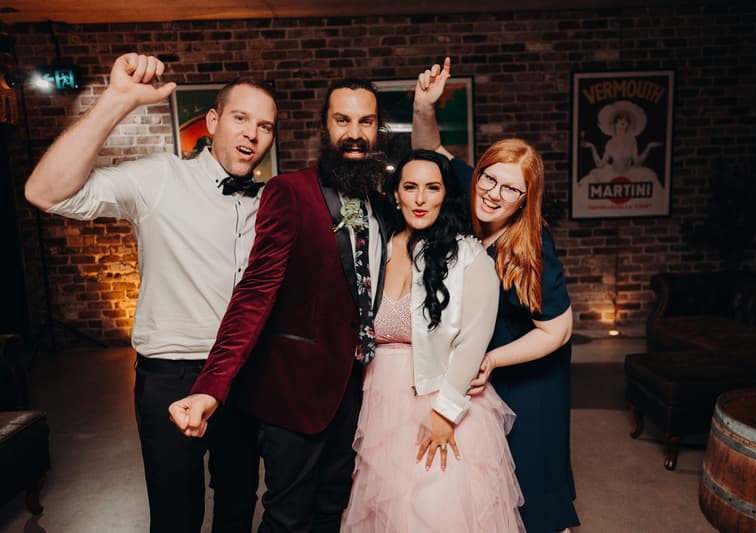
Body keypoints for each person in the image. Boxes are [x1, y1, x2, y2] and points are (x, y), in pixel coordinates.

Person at [24, 53, 278, 532]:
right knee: (175, 515)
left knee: (239, 504)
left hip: (243, 374)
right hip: (171, 374)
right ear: (213, 121)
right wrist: (115, 102)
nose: (251, 134)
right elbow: (46, 192)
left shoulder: (271, 201)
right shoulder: (161, 178)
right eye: (241, 118)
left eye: (264, 126)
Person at [168, 78, 390, 533]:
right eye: (342, 120)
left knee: (334, 509)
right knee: (288, 517)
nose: (354, 133)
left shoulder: (383, 203)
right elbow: (254, 292)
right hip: (293, 392)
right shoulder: (289, 192)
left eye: (365, 121)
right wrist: (212, 385)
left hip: (358, 389)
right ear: (323, 128)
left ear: (378, 130)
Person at [412, 58, 579, 533]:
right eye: (489, 178)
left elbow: (559, 329)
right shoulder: (470, 191)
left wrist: (492, 360)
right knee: (485, 483)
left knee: (530, 481)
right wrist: (424, 105)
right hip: (479, 358)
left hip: (528, 374)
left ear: (524, 200)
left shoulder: (533, 242)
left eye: (510, 189)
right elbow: (430, 150)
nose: (493, 192)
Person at [340, 149, 523, 532]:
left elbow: (473, 343)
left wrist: (445, 414)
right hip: (378, 400)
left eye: (432, 187)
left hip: (440, 398)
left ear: (446, 195)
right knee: (387, 512)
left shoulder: (469, 257)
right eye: (410, 187)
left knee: (435, 513)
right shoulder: (377, 248)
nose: (421, 199)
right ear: (396, 194)